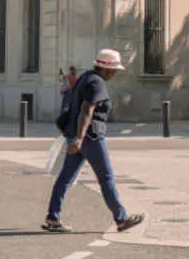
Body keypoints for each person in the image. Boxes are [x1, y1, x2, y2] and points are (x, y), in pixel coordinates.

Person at [43, 49, 145, 234]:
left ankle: (52, 217)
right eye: (114, 70)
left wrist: (75, 138)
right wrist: (80, 138)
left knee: (65, 177)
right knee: (106, 178)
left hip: (76, 135)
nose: (115, 73)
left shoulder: (85, 78)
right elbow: (87, 110)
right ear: (106, 68)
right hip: (91, 137)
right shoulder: (97, 83)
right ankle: (121, 219)